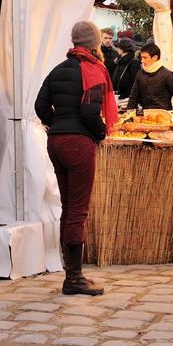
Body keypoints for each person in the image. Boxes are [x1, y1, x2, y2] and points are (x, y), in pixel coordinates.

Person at [34, 20, 118, 297]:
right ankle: (74, 278)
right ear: (94, 43)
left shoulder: (58, 70)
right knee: (77, 211)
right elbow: (89, 112)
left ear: (73, 42)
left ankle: (72, 275)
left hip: (56, 141)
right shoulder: (92, 70)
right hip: (78, 142)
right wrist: (101, 133)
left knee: (68, 207)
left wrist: (55, 123)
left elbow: (40, 105)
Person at [127, 42, 173, 110]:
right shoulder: (140, 74)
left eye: (145, 58)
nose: (142, 61)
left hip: (164, 116)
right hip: (146, 116)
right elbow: (133, 96)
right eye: (141, 58)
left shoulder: (167, 74)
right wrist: (129, 113)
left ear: (155, 57)